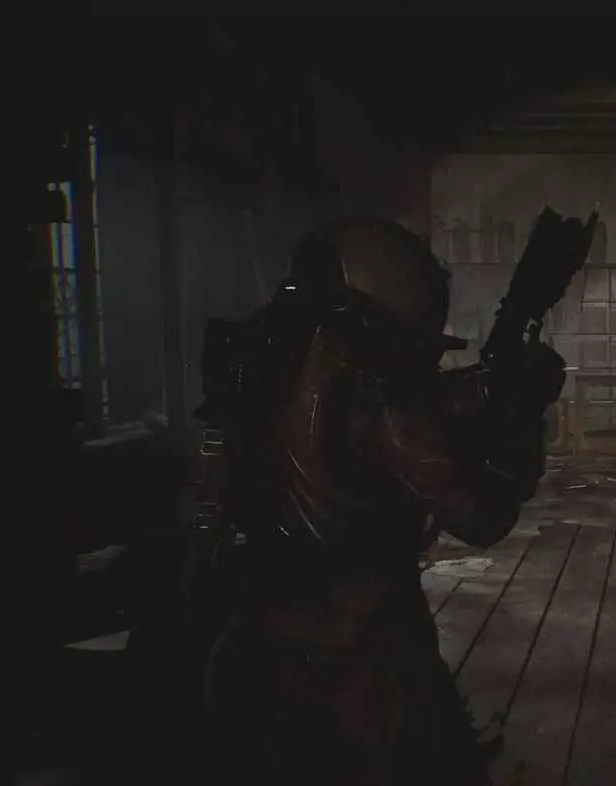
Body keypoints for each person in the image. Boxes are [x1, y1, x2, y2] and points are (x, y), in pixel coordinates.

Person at [183, 217, 560, 785]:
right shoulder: (378, 397)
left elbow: (411, 409)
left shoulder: (261, 354)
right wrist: (521, 413)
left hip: (260, 643)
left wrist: (487, 381)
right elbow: (484, 516)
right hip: (366, 666)